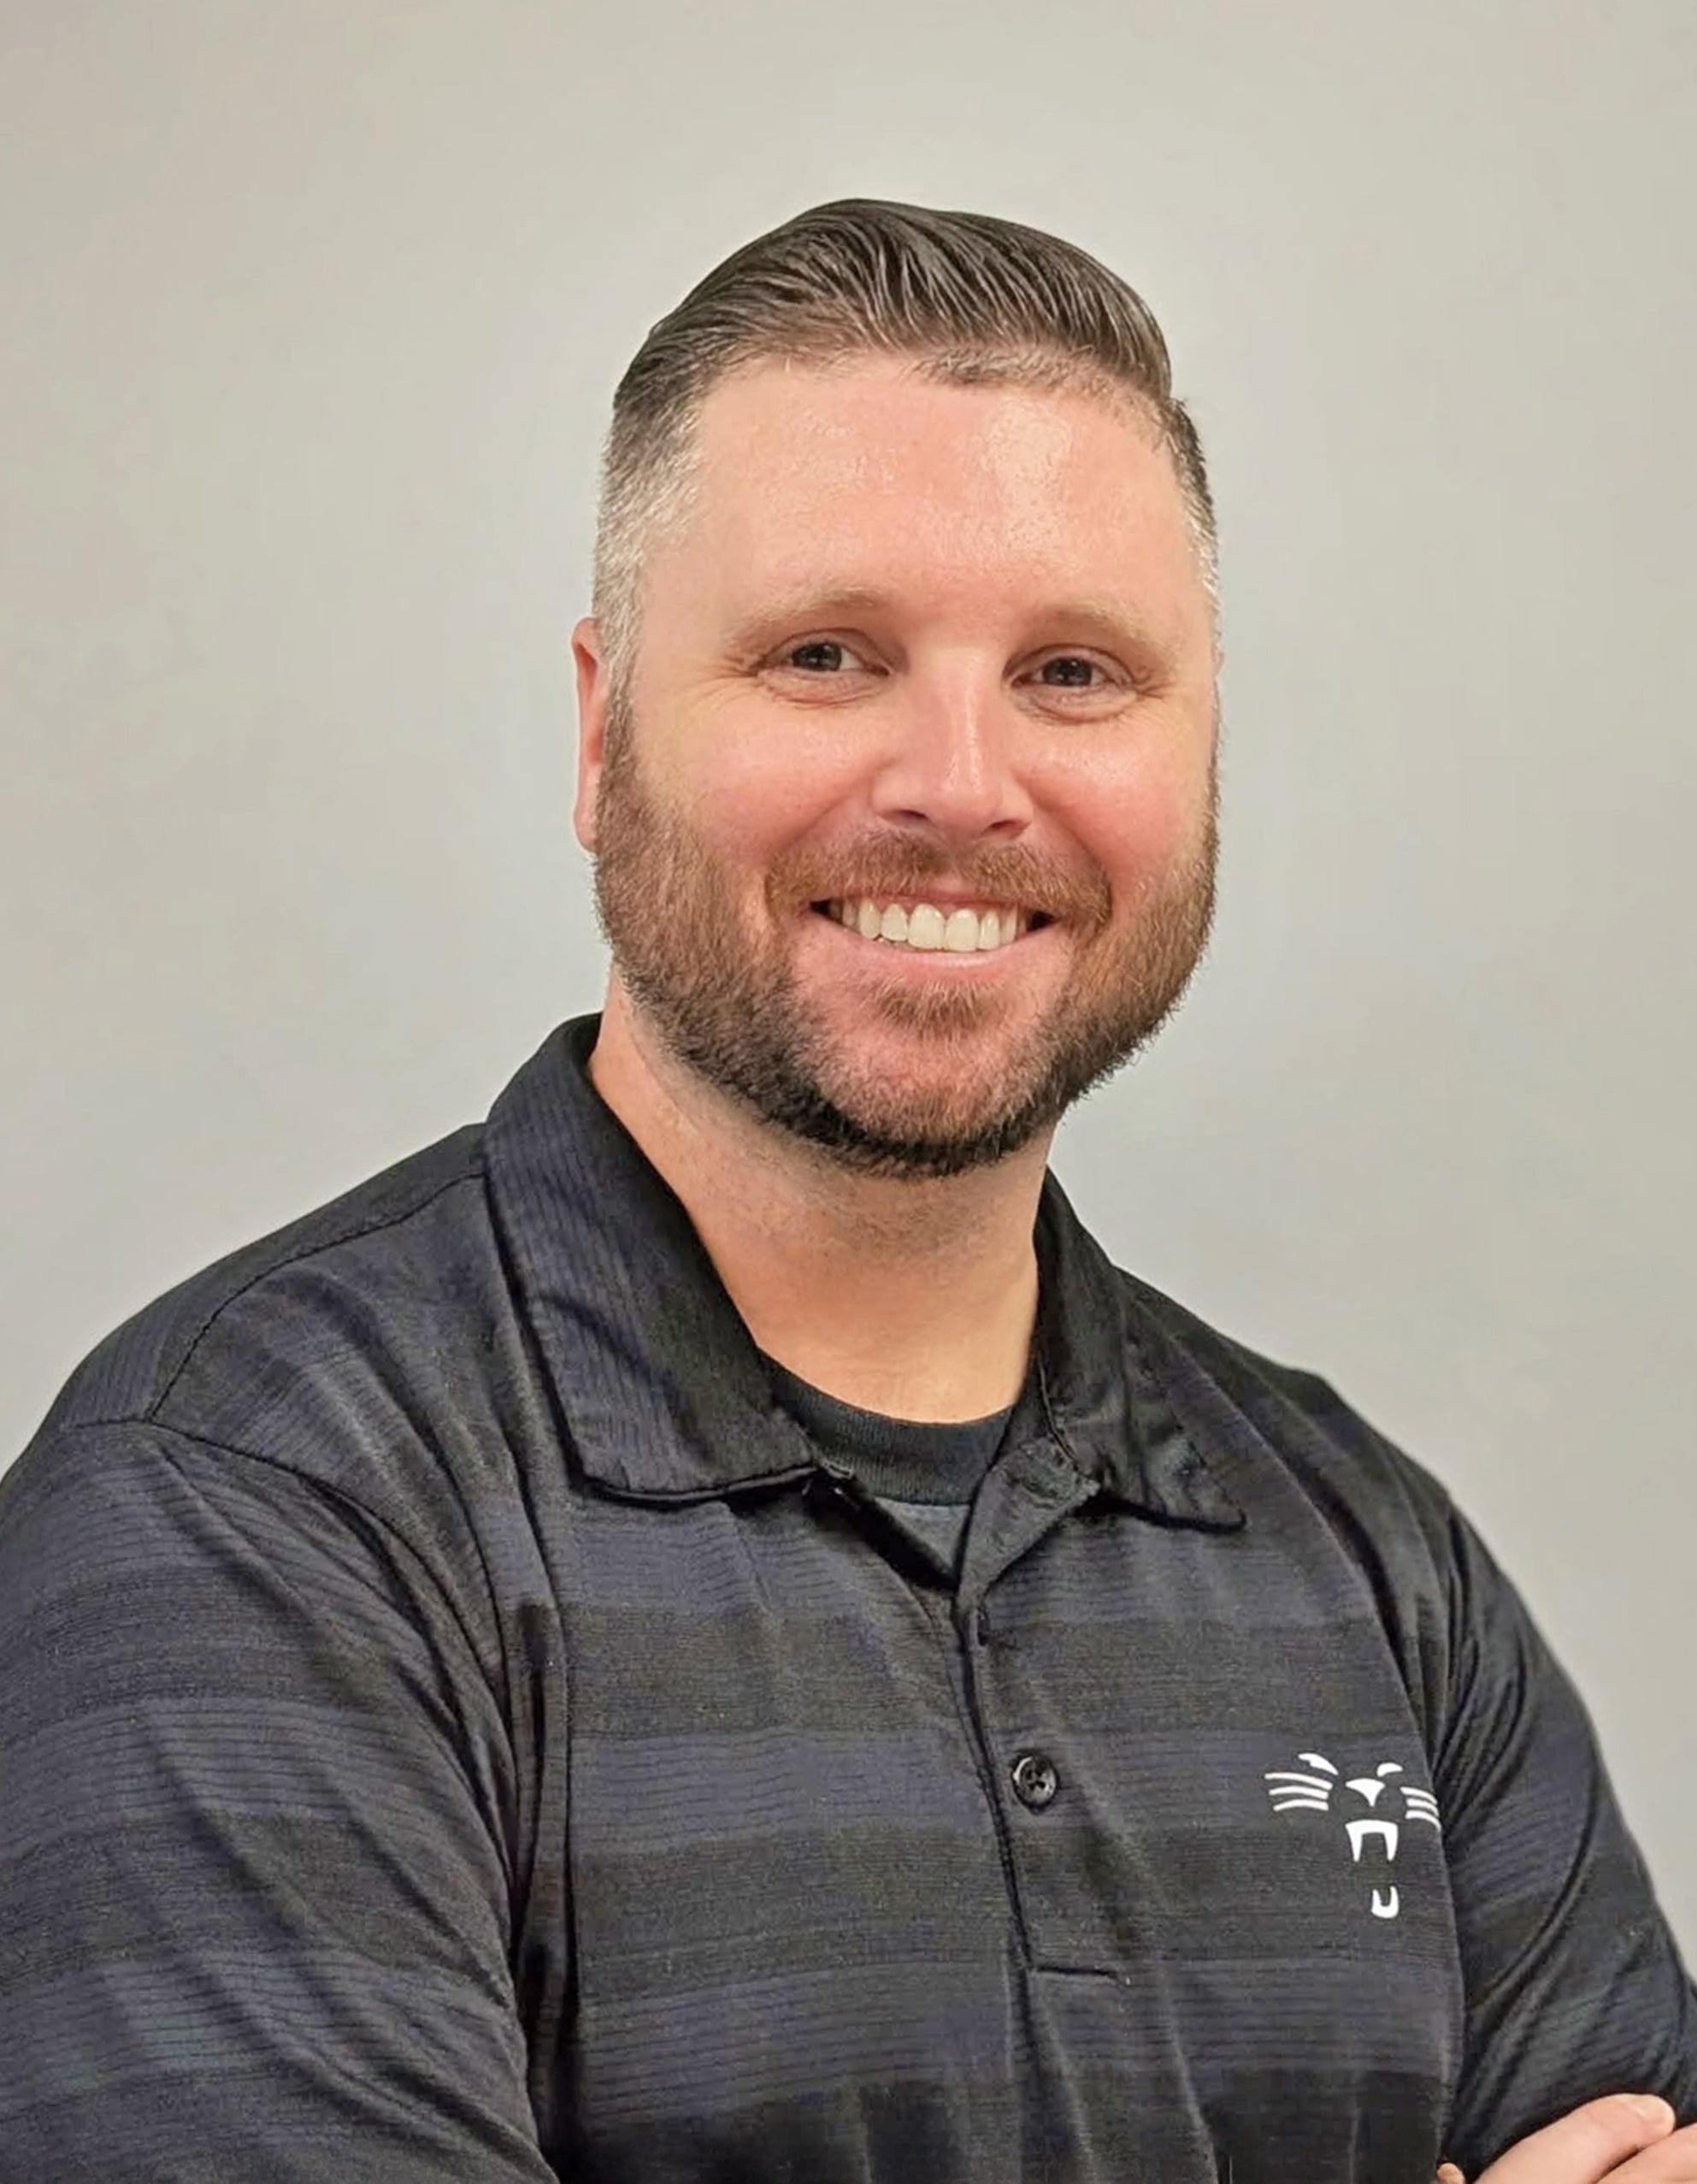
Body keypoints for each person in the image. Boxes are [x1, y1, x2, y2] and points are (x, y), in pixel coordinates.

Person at [0, 199, 1692, 2184]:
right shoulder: (244, 1511)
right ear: (601, 726)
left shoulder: (1367, 1559)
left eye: (1074, 669)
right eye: (827, 653)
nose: (963, 783)